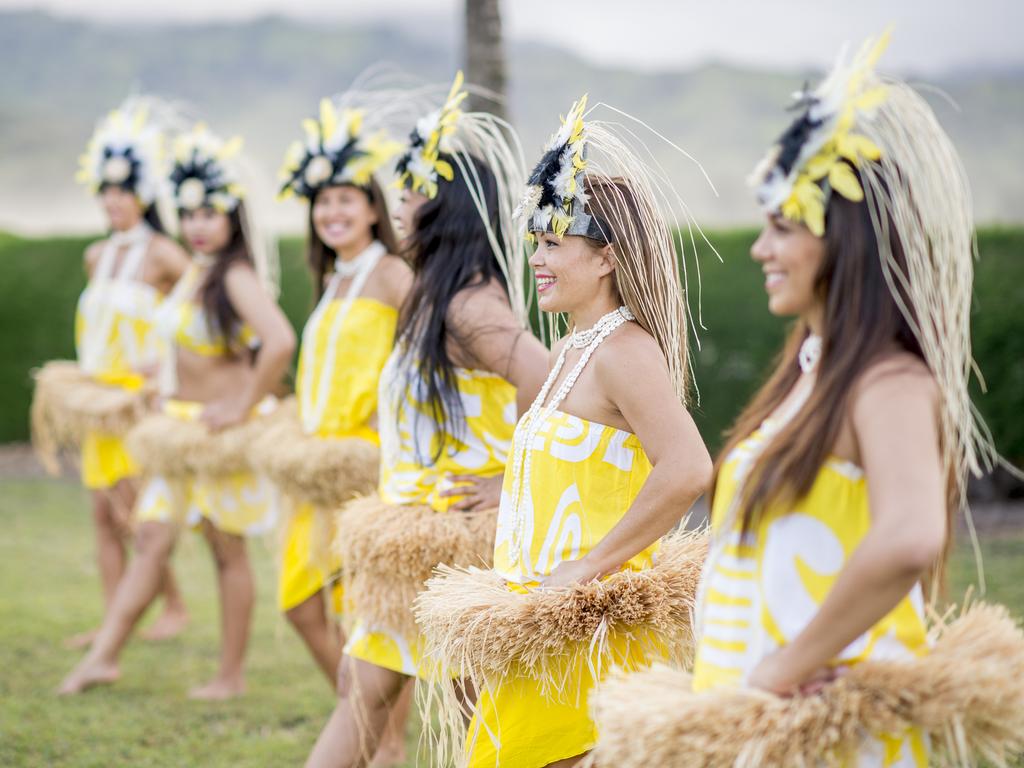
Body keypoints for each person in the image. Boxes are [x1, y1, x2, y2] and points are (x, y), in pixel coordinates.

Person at [417, 95, 713, 768]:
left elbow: (689, 468)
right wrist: (502, 486)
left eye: (553, 243)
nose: (538, 260)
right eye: (536, 243)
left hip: (588, 628)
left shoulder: (625, 350)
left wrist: (587, 567)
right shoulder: (571, 349)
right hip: (540, 622)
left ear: (606, 257)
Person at [305, 72, 548, 768]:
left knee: (479, 704)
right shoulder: (429, 297)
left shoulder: (471, 304)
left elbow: (548, 379)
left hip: (457, 542)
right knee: (363, 686)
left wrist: (510, 479)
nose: (400, 203)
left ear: (446, 204)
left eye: (412, 189)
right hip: (414, 536)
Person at [59, 124, 295, 700]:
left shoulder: (235, 276)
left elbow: (280, 340)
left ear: (232, 218)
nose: (197, 224)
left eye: (210, 213)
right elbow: (177, 346)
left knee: (225, 550)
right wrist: (164, 391)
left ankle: (230, 676)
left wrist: (240, 405)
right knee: (152, 538)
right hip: (180, 430)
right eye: (188, 213)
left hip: (218, 436)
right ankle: (103, 657)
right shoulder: (197, 271)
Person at [32, 97, 190, 649]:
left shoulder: (166, 254)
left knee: (133, 510)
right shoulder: (97, 256)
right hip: (99, 401)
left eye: (123, 190)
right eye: (106, 190)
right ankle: (111, 616)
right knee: (103, 511)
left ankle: (171, 605)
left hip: (140, 402)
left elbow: (196, 317)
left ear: (143, 194)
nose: (113, 200)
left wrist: (167, 368)